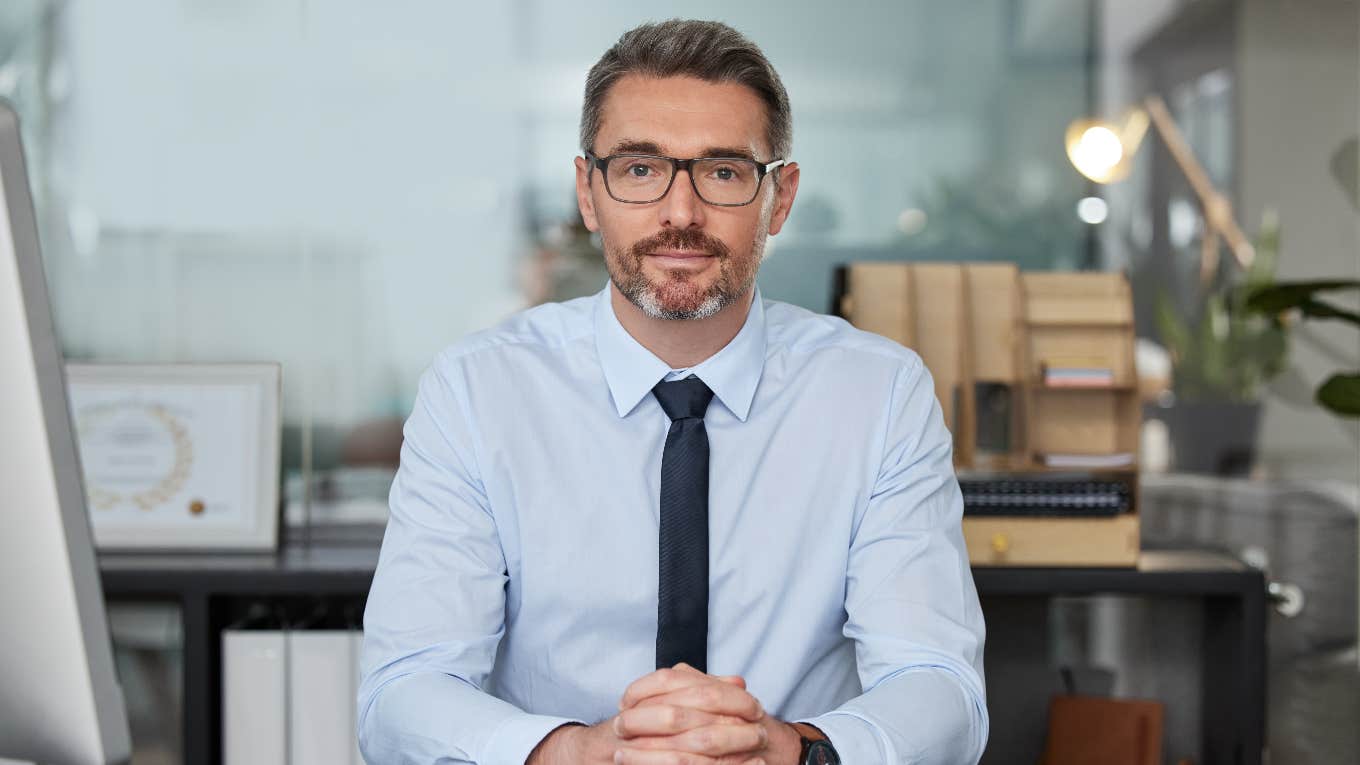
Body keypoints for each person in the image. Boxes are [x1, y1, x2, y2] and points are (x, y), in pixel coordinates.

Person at [358, 19, 987, 765]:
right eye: (638, 169)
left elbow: (938, 683)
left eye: (723, 172)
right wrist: (581, 754)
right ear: (589, 193)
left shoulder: (880, 395)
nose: (680, 214)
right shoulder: (477, 391)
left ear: (778, 198)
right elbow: (402, 692)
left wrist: (794, 751)